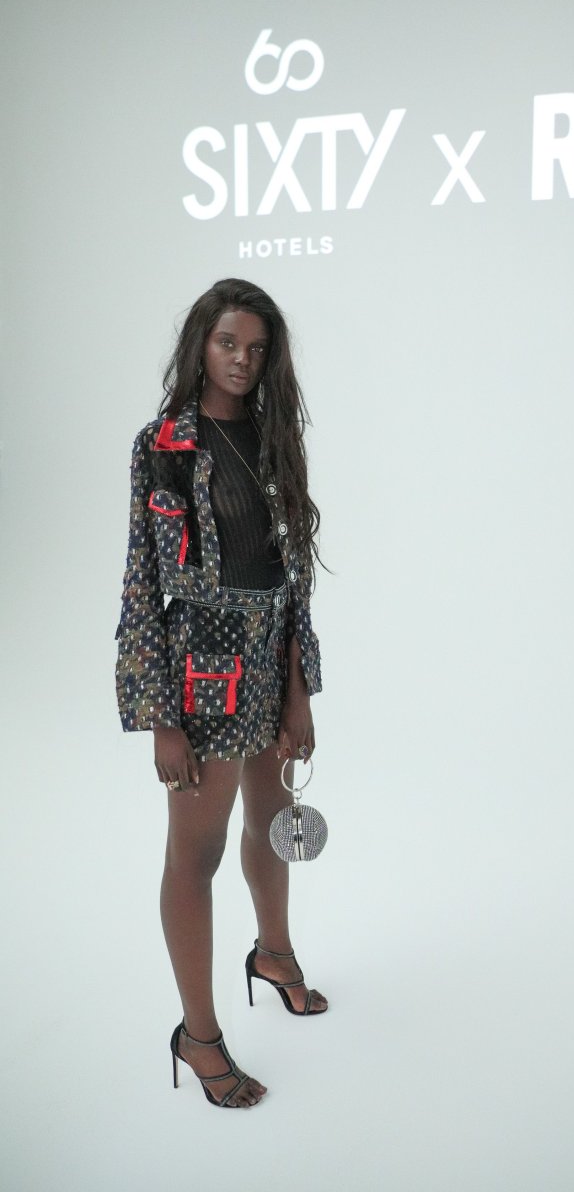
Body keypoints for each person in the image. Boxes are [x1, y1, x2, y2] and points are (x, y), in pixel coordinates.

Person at [115, 278, 328, 1110]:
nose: (242, 360)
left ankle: (273, 953)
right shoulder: (164, 443)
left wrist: (298, 691)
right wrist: (161, 719)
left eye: (257, 348)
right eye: (228, 343)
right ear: (200, 344)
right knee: (195, 857)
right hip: (201, 674)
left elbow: (292, 580)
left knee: (273, 824)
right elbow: (141, 582)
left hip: (270, 662)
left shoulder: (276, 438)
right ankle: (199, 1036)